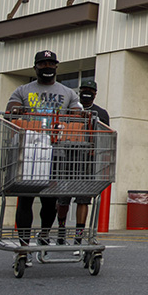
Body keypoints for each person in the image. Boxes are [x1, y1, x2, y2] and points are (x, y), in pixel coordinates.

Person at [5, 50, 81, 252]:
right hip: (29, 151)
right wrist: (16, 110)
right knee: (26, 198)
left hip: (55, 152)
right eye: (42, 64)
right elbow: (11, 109)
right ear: (35, 67)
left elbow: (78, 112)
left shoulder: (68, 93)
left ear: (56, 67)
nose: (47, 67)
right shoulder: (22, 90)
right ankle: (24, 245)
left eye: (51, 63)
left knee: (49, 200)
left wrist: (76, 113)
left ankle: (45, 233)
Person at [55, 79, 110, 246]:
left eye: (90, 90)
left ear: (95, 93)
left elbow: (105, 136)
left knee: (83, 200)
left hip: (88, 163)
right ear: (79, 92)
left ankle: (79, 235)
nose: (87, 93)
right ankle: (61, 230)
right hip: (68, 159)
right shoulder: (70, 110)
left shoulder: (101, 113)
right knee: (63, 199)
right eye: (84, 90)